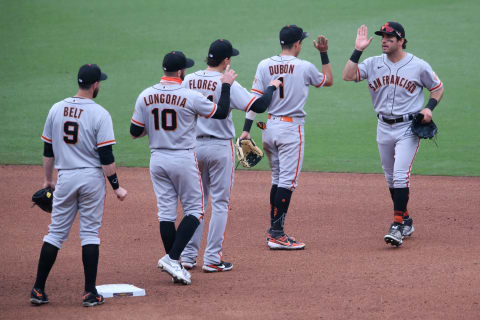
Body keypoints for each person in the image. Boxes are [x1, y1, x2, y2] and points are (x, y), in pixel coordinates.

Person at [130, 51, 236, 284]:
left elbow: (135, 132)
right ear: (180, 72)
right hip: (183, 159)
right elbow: (219, 113)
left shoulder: (145, 95)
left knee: (166, 213)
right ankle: (172, 258)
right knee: (195, 211)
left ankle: (175, 265)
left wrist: (157, 128)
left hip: (157, 160)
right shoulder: (190, 95)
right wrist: (226, 86)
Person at [30, 64, 128, 307]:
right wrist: (116, 187)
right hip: (91, 179)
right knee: (90, 233)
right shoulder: (100, 113)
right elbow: (106, 155)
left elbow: (48, 149)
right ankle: (89, 292)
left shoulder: (56, 108)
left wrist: (47, 179)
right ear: (95, 85)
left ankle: (38, 289)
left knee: (55, 233)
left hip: (65, 177)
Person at [180, 39, 281, 272]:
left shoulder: (189, 79)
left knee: (196, 203)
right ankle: (213, 259)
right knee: (220, 203)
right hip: (218, 148)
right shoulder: (226, 82)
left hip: (193, 147)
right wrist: (272, 86)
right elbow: (259, 105)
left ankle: (187, 257)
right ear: (226, 61)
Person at [342, 22, 444, 246]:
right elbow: (348, 76)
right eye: (382, 37)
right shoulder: (373, 63)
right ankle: (406, 219)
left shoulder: (418, 65)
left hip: (407, 128)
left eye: (389, 37)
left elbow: (437, 87)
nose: (384, 40)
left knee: (400, 175)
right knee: (390, 177)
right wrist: (358, 49)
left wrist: (429, 108)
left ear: (401, 40)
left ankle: (397, 225)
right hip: (383, 126)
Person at [240, 25, 333, 250]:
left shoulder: (264, 64)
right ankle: (277, 234)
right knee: (287, 183)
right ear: (298, 44)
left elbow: (254, 100)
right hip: (291, 130)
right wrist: (323, 52)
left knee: (277, 179)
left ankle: (274, 230)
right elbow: (328, 80)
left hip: (269, 127)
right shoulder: (304, 67)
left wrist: (245, 129)